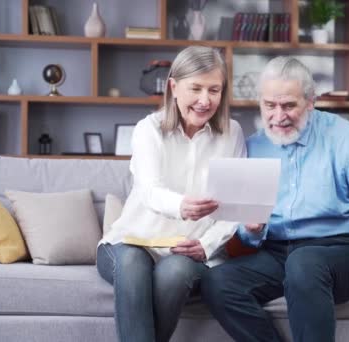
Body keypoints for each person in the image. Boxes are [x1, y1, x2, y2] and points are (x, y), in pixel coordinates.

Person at [201, 56, 349, 342]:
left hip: (344, 252)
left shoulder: (345, 138)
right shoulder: (253, 146)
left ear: (311, 101)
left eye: (289, 105)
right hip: (278, 253)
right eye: (270, 106)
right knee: (217, 281)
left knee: (304, 262)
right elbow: (248, 234)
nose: (278, 116)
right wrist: (252, 230)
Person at [96, 46, 246, 342]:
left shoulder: (233, 133)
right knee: (131, 266)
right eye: (196, 88)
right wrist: (182, 206)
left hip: (191, 252)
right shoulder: (148, 130)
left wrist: (206, 244)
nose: (205, 100)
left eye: (214, 90)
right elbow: (150, 190)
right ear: (174, 87)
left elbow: (235, 207)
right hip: (131, 242)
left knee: (174, 273)